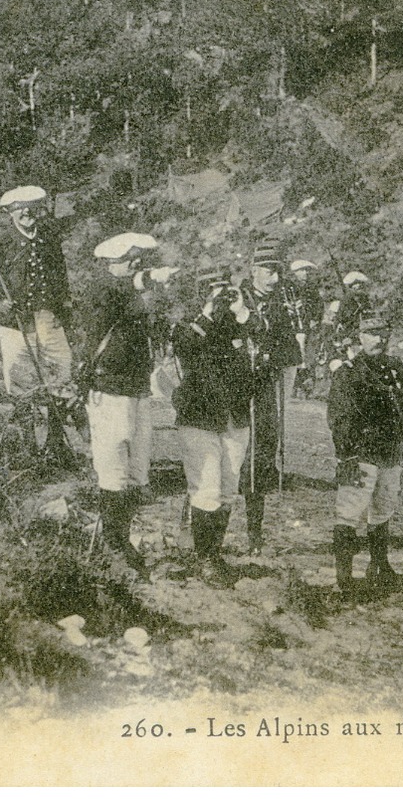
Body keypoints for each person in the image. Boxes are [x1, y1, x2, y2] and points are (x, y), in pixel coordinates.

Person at [75, 232, 161, 580]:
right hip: (109, 388)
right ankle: (114, 545)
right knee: (113, 467)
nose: (137, 266)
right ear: (114, 263)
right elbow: (115, 301)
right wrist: (146, 281)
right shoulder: (102, 289)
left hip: (136, 388)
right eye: (131, 262)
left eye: (139, 261)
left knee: (137, 467)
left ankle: (121, 539)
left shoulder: (127, 291)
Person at [171, 270, 254, 585]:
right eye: (214, 290)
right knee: (206, 488)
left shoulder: (239, 320)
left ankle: (213, 554)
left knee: (229, 490)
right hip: (200, 416)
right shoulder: (188, 324)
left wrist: (242, 310)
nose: (222, 296)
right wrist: (207, 312)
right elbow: (184, 346)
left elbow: (266, 339)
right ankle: (204, 560)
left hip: (235, 416)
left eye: (225, 289)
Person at [327, 317, 403, 592]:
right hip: (360, 451)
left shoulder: (396, 368)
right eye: (371, 334)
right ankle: (344, 575)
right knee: (349, 512)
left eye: (383, 334)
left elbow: (402, 412)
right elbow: (339, 418)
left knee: (384, 508)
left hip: (389, 451)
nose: (379, 340)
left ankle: (379, 564)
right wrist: (346, 454)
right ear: (359, 337)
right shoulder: (349, 372)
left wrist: (402, 447)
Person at [0, 185, 73, 395]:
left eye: (31, 207)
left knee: (61, 370)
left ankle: (57, 425)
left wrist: (65, 308)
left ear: (39, 209)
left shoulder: (49, 239)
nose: (26, 212)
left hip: (49, 317)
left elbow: (61, 276)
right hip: (16, 320)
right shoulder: (0, 243)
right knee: (21, 376)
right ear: (10, 212)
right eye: (20, 208)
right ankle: (27, 424)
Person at [239, 246, 300, 555]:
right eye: (269, 272)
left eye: (278, 273)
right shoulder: (235, 299)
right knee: (218, 456)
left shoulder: (279, 306)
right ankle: (192, 529)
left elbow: (291, 353)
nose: (275, 279)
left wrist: (270, 357)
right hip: (232, 391)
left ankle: (254, 533)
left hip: (264, 390)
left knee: (260, 457)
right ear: (253, 271)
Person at [284, 259, 324, 397]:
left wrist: (315, 319)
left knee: (309, 356)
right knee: (296, 355)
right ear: (295, 273)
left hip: (308, 326)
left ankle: (306, 386)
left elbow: (319, 306)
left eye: (307, 270)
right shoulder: (289, 287)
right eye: (302, 270)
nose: (305, 273)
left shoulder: (312, 288)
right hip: (294, 327)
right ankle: (294, 386)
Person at [328, 270, 374, 359]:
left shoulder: (364, 299)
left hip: (364, 332)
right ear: (351, 287)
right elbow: (342, 318)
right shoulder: (346, 300)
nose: (358, 286)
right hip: (351, 333)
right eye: (355, 284)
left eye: (360, 284)